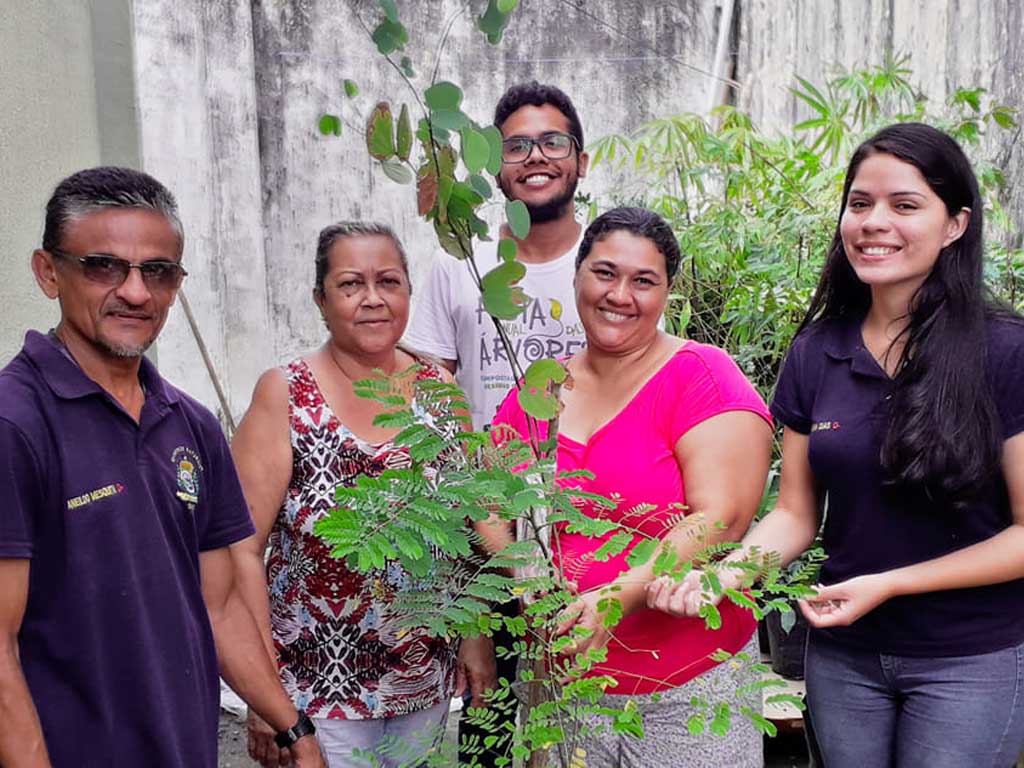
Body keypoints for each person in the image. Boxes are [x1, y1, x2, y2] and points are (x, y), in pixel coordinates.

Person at [649, 123, 1024, 766]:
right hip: (844, 653)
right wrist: (722, 577)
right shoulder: (817, 350)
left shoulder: (1006, 350)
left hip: (972, 656)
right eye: (860, 203)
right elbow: (795, 512)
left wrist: (891, 584)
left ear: (956, 224)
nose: (874, 222)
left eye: (904, 205)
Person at [0, 167, 325, 768]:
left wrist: (290, 725)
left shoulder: (191, 423)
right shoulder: (16, 424)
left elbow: (220, 604)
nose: (135, 292)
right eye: (103, 266)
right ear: (49, 272)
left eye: (158, 272)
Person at [493, 207, 773, 767]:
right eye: (604, 273)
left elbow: (723, 518)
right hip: (565, 683)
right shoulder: (541, 385)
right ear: (576, 276)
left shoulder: (701, 376)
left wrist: (619, 594)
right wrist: (527, 578)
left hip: (688, 689)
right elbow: (491, 501)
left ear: (668, 292)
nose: (619, 294)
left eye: (643, 280)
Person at [232, 222, 469, 768]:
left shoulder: (440, 390)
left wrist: (473, 640)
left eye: (389, 281)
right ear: (320, 299)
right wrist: (263, 693)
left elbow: (464, 524)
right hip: (315, 690)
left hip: (421, 676)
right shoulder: (285, 392)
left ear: (409, 293)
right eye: (349, 284)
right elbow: (242, 549)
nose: (372, 299)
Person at [404, 80, 592, 766]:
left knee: (576, 731)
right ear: (495, 164)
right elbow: (430, 385)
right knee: (487, 723)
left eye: (552, 142)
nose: (534, 157)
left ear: (580, 159)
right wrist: (476, 518)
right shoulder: (461, 260)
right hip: (481, 535)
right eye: (516, 145)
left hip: (583, 530)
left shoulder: (603, 265)